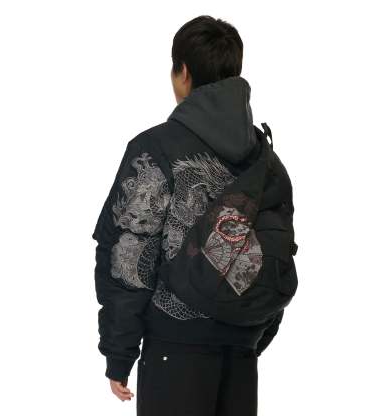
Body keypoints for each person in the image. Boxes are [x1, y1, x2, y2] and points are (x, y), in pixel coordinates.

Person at [92, 15, 287, 416]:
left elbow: (128, 256)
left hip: (174, 355)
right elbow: (276, 254)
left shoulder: (155, 149)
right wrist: (250, 336)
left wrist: (119, 352)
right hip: (241, 354)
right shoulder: (267, 161)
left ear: (182, 72)